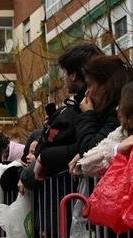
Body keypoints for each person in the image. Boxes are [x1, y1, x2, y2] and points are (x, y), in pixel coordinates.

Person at [31, 43, 104, 181]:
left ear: (74, 75)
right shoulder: (78, 105)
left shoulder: (88, 106)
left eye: (64, 72)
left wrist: (45, 157)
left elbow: (90, 145)